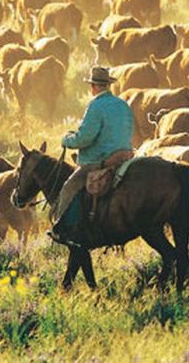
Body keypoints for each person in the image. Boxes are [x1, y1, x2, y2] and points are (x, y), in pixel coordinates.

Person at [48, 66, 134, 245]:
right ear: (108, 85)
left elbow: (85, 138)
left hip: (101, 159)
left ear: (93, 87)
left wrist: (67, 140)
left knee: (69, 187)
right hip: (125, 156)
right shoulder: (123, 104)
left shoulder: (95, 105)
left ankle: (64, 230)